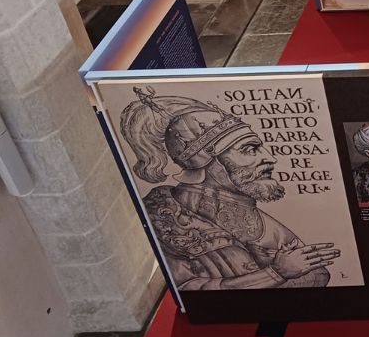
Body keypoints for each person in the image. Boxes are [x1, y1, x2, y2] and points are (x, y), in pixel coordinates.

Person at [120, 88, 340, 291]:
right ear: (205, 161)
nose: (270, 158)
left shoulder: (252, 213)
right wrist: (275, 273)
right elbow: (190, 290)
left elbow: (314, 274)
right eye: (249, 149)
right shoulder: (166, 218)